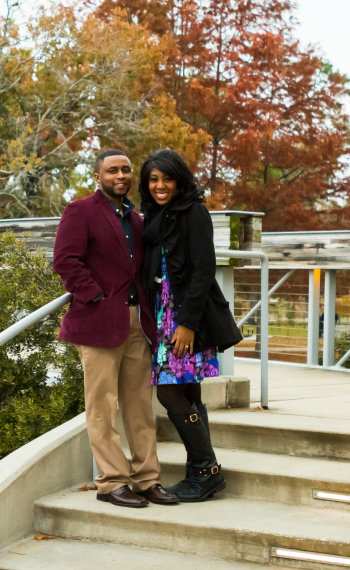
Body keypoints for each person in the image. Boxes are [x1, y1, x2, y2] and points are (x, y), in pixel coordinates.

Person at [53, 149, 179, 508]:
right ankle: (111, 482)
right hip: (97, 324)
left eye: (126, 169)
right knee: (101, 408)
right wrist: (96, 296)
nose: (121, 175)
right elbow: (65, 260)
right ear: (98, 176)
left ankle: (146, 480)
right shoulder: (80, 211)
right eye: (112, 170)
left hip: (138, 323)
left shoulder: (137, 219)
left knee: (140, 406)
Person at [139, 149, 242, 502]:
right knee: (188, 392)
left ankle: (206, 469)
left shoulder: (194, 212)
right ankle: (201, 472)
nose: (160, 185)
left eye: (166, 178)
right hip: (161, 316)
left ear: (179, 180)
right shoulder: (154, 216)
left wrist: (186, 324)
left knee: (169, 392)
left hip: (183, 319)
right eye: (153, 179)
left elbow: (203, 270)